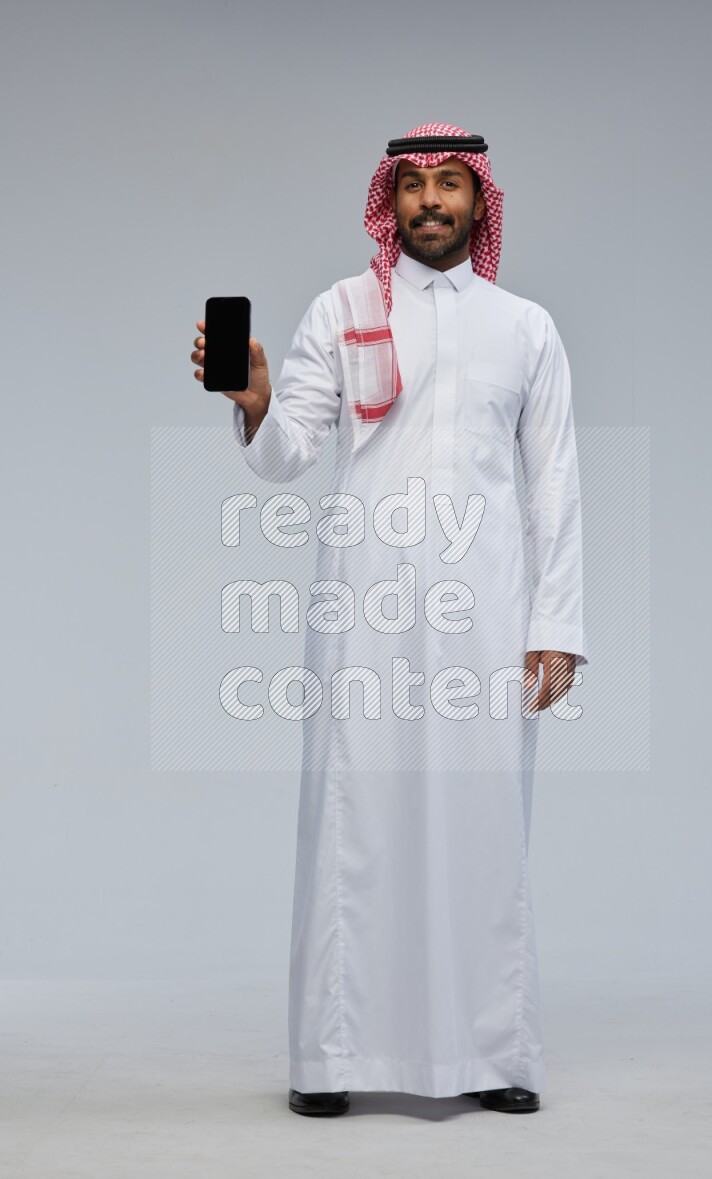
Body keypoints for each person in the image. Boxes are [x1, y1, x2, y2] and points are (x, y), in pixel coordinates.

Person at [191, 122, 587, 1117]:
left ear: (479, 201)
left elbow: (555, 485)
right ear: (390, 201)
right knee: (354, 821)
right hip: (362, 607)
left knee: (483, 823)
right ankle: (330, 1057)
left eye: (450, 183)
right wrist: (255, 400)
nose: (430, 202)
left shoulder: (526, 328)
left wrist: (556, 626)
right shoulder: (343, 308)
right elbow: (288, 453)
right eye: (413, 185)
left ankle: (492, 1053)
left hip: (487, 614)